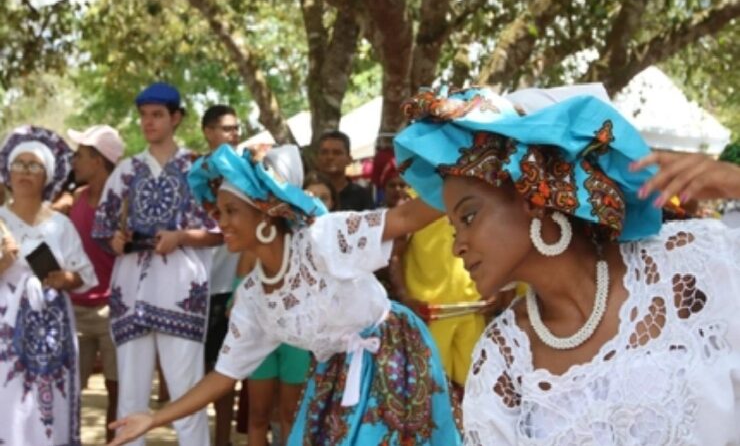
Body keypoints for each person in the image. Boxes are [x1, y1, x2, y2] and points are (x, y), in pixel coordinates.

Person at [394, 86, 740, 445]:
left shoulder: (688, 266)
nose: (457, 246)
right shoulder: (503, 360)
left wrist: (736, 182)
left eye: (469, 216)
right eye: (453, 228)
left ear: (533, 196)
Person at [107, 143, 461, 446]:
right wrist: (154, 419)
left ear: (265, 215)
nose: (222, 223)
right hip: (333, 376)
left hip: (392, 354)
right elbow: (224, 375)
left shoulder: (323, 240)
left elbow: (404, 218)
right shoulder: (254, 299)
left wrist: (467, 179)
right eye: (218, 212)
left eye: (231, 211)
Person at [93, 82, 220, 446]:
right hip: (131, 293)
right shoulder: (126, 171)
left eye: (157, 115)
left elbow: (221, 230)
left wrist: (181, 237)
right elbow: (104, 229)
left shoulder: (198, 170)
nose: (148, 122)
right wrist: (115, 241)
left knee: (187, 397)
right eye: (144, 115)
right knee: (130, 400)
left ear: (175, 118)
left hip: (182, 293)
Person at [0, 126, 98, 445]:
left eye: (34, 166)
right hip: (5, 329)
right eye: (19, 164)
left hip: (51, 330)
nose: (25, 172)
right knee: (8, 400)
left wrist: (63, 278)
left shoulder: (61, 225)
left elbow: (84, 275)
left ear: (48, 176)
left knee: (48, 404)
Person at [67, 124, 125, 443]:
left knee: (117, 392)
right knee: (71, 392)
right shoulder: (74, 199)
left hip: (112, 312)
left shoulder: (124, 204)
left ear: (99, 161)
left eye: (80, 155)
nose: (74, 161)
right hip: (75, 311)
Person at [201, 104, 242, 446]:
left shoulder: (246, 172)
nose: (234, 135)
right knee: (202, 370)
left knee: (230, 368)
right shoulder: (194, 175)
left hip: (238, 286)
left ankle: (224, 439)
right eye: (227, 129)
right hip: (199, 286)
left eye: (236, 128)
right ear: (208, 132)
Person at [316, 130, 374, 210]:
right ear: (317, 158)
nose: (330, 157)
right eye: (324, 152)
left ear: (349, 159)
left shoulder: (361, 196)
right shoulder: (308, 193)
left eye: (337, 153)